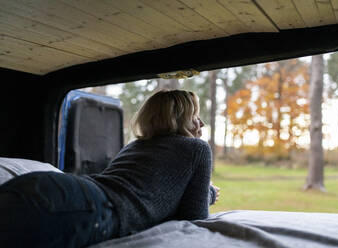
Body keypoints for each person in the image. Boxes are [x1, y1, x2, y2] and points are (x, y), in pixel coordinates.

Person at [0, 89, 220, 248]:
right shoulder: (197, 148)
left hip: (47, 185)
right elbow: (193, 216)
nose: (201, 124)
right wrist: (207, 193)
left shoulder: (135, 145)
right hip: (86, 207)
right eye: (194, 116)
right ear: (178, 119)